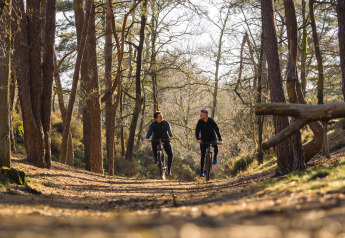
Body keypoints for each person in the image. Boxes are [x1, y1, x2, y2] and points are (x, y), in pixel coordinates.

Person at [195, 109, 222, 177]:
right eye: (200, 114)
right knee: (203, 155)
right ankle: (202, 171)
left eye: (201, 115)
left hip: (212, 138)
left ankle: (215, 157)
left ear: (206, 115)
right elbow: (197, 131)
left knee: (215, 145)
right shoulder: (200, 122)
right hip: (203, 140)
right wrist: (198, 139)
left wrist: (220, 139)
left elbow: (216, 129)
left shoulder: (211, 121)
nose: (200, 116)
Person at [145, 111, 174, 176]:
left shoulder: (166, 123)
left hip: (165, 139)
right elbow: (149, 131)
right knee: (153, 142)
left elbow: (169, 130)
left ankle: (169, 170)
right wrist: (147, 138)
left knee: (170, 153)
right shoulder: (153, 124)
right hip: (156, 139)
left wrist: (171, 136)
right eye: (160, 117)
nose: (162, 117)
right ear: (156, 118)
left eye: (162, 116)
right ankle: (156, 158)